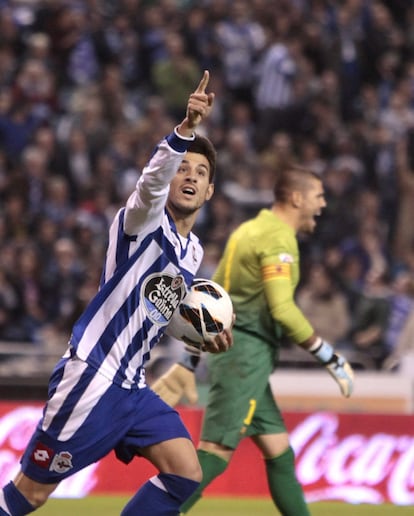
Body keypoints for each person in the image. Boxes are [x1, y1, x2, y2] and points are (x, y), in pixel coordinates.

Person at [0, 70, 233, 516]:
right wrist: (184, 132)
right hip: (92, 376)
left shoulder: (194, 251)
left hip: (132, 387)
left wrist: (205, 332)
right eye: (183, 167)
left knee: (185, 473)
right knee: (27, 495)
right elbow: (150, 184)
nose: (189, 175)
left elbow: (161, 307)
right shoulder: (143, 220)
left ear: (209, 192)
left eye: (200, 172)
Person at [152, 164, 354, 515]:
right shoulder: (277, 238)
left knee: (279, 451)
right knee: (214, 453)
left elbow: (215, 300)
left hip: (239, 355)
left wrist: (191, 358)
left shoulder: (249, 230)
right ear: (297, 198)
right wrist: (329, 357)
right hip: (244, 355)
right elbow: (282, 309)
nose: (322, 204)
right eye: (318, 196)